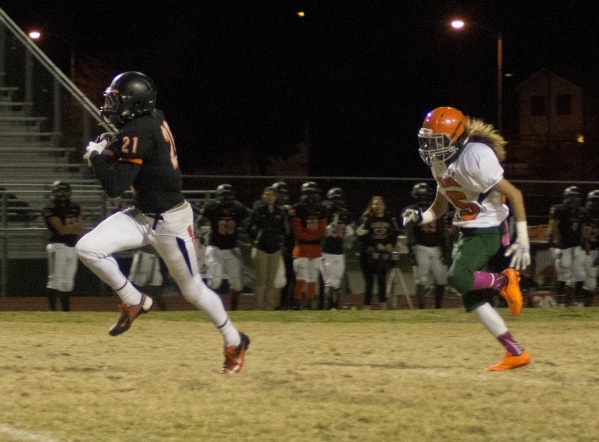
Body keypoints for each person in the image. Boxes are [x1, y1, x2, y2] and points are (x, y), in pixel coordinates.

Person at [76, 71, 249, 374]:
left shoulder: (139, 130)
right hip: (142, 215)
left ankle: (235, 341)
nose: (110, 106)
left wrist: (97, 158)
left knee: (193, 290)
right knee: (88, 248)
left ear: (134, 103)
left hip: (171, 222)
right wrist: (113, 146)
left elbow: (114, 185)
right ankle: (134, 300)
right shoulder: (152, 117)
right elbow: (139, 149)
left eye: (116, 101)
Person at [404, 106, 531, 371]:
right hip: (468, 230)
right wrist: (419, 217)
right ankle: (515, 352)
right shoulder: (440, 163)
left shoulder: (476, 156)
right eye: (427, 140)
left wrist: (523, 239)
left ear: (457, 137)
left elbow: (515, 194)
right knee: (471, 296)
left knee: (457, 277)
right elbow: (440, 207)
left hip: (490, 229)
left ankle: (504, 281)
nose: (429, 147)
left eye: (437, 141)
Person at [200, 183, 250, 311]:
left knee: (238, 284)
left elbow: (200, 222)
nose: (225, 200)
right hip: (215, 247)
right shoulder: (213, 207)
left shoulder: (238, 208)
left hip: (232, 248)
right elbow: (201, 221)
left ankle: (234, 310)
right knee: (214, 282)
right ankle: (214, 309)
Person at [403, 182, 448, 309]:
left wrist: (444, 249)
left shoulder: (436, 207)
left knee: (441, 278)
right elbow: (409, 232)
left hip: (436, 247)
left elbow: (441, 230)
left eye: (424, 195)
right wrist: (411, 250)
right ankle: (421, 307)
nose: (422, 197)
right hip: (420, 247)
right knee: (421, 279)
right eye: (420, 195)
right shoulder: (411, 210)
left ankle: (438, 307)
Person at [43, 181, 86, 311]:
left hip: (72, 247)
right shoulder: (49, 208)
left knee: (68, 282)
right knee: (55, 280)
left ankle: (66, 312)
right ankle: (52, 312)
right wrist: (74, 228)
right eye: (59, 191)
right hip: (57, 245)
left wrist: (69, 228)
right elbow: (60, 230)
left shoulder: (74, 206)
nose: (62, 194)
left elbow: (82, 229)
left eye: (64, 191)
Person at [247, 186, 287, 310]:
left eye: (272, 195)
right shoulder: (258, 211)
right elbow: (249, 227)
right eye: (267, 194)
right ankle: (259, 307)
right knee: (261, 279)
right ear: (263, 196)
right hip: (261, 248)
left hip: (275, 249)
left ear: (275, 197)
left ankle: (269, 308)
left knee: (271, 280)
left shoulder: (279, 212)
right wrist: (257, 237)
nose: (270, 197)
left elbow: (283, 229)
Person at [356, 195, 397, 309]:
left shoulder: (389, 218)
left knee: (382, 280)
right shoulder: (366, 218)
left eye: (380, 203)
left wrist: (390, 244)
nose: (377, 206)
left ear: (384, 206)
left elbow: (394, 233)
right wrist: (375, 244)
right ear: (371, 205)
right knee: (369, 282)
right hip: (368, 255)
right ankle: (367, 307)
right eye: (375, 203)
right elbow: (361, 234)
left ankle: (382, 306)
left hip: (383, 254)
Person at [547, 186, 585, 306]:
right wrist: (553, 243)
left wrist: (584, 241)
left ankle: (578, 302)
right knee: (563, 275)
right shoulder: (559, 209)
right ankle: (560, 303)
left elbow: (583, 229)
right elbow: (553, 226)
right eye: (571, 196)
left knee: (580, 274)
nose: (574, 199)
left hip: (576, 246)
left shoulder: (581, 211)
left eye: (575, 196)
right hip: (563, 246)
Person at [292, 181, 327, 309]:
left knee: (312, 278)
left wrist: (310, 234)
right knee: (302, 278)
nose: (311, 196)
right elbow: (298, 233)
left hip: (315, 250)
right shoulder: (299, 208)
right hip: (302, 249)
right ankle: (298, 305)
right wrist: (313, 235)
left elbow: (322, 232)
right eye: (309, 193)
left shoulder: (321, 209)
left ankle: (309, 305)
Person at [321, 187, 354, 309]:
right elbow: (323, 232)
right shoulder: (325, 212)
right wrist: (332, 225)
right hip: (327, 250)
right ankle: (329, 306)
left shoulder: (345, 213)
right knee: (329, 282)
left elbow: (349, 234)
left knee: (337, 281)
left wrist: (350, 234)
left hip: (339, 251)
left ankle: (336, 305)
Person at [272, 181, 295, 309]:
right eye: (279, 193)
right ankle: (274, 305)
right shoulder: (268, 208)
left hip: (287, 247)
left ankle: (286, 304)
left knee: (289, 277)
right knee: (274, 279)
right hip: (273, 247)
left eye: (283, 193)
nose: (282, 196)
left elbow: (289, 231)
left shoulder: (289, 209)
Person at [128, 244, 168, 311]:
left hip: (154, 257)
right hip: (142, 255)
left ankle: (165, 313)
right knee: (138, 286)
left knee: (157, 284)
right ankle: (132, 310)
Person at [580, 189, 599, 307]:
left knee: (591, 280)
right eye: (593, 200)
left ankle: (588, 307)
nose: (595, 203)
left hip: (595, 250)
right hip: (584, 250)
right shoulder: (583, 215)